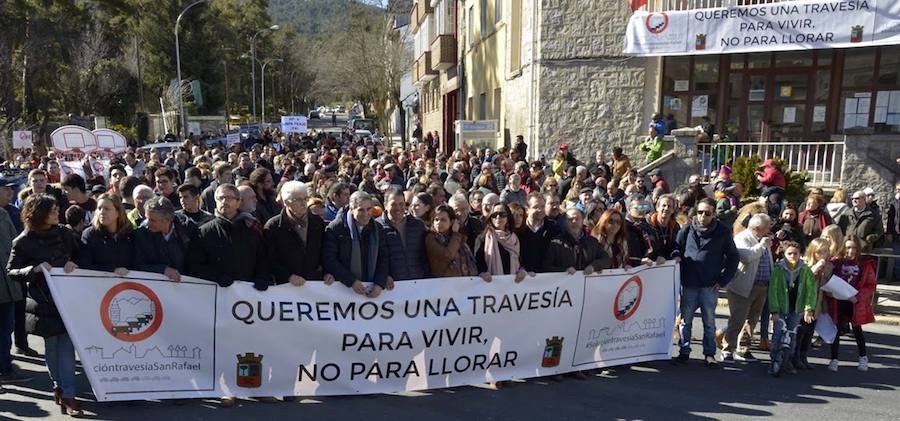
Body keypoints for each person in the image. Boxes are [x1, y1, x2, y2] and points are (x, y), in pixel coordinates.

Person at [7, 194, 81, 415]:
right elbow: (11, 271)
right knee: (52, 349)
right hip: (43, 303)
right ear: (39, 213)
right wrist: (34, 270)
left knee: (67, 348)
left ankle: (69, 395)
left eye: (57, 209)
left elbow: (82, 255)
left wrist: (73, 263)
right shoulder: (23, 241)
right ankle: (58, 385)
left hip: (68, 300)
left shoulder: (66, 234)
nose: (57, 213)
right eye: (52, 210)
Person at [673, 198, 739, 367]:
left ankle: (709, 354)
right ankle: (684, 351)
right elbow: (676, 248)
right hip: (689, 284)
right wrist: (676, 259)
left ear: (713, 214)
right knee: (685, 321)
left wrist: (723, 280)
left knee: (709, 322)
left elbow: (733, 257)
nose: (703, 216)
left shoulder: (723, 231)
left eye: (707, 213)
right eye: (700, 212)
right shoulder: (687, 229)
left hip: (710, 285)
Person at [721, 214, 773, 363]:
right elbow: (746, 257)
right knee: (737, 319)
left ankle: (742, 349)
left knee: (752, 320)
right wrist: (762, 245)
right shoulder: (741, 238)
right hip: (743, 286)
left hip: (762, 286)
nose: (769, 230)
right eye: (767, 227)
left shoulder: (763, 239)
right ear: (757, 228)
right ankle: (727, 350)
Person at [322, 191, 390, 298]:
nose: (366, 214)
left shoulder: (378, 229)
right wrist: (351, 281)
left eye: (369, 209)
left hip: (371, 288)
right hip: (344, 290)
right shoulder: (336, 229)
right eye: (361, 210)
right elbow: (329, 259)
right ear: (352, 210)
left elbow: (384, 258)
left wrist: (379, 283)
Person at [263, 181, 328, 286]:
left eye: (305, 199)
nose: (303, 203)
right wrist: (288, 276)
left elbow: (325, 252)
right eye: (298, 200)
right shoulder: (273, 227)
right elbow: (269, 259)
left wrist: (327, 272)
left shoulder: (317, 222)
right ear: (286, 202)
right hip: (288, 288)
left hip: (315, 284)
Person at [768, 240, 817, 376]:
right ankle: (773, 360)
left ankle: (787, 360)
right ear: (784, 254)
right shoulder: (778, 269)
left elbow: (811, 291)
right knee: (778, 333)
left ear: (800, 254)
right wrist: (774, 310)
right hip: (781, 308)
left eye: (795, 254)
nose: (792, 256)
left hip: (796, 308)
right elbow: (773, 290)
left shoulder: (805, 270)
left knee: (792, 334)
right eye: (789, 254)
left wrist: (808, 309)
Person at [826, 238, 876, 372]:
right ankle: (834, 359)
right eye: (848, 247)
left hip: (854, 302)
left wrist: (858, 297)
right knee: (835, 330)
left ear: (858, 249)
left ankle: (863, 357)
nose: (850, 251)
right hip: (838, 300)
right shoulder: (836, 262)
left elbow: (871, 285)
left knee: (857, 330)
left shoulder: (865, 264)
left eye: (853, 248)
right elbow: (827, 279)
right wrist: (829, 292)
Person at [134, 196, 199, 282]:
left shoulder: (189, 230)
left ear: (167, 220)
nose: (148, 224)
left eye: (152, 220)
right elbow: (137, 265)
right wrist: (162, 269)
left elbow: (198, 263)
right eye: (146, 218)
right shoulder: (141, 234)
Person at [0, 206, 28, 389]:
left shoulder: (3, 214)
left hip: (7, 284)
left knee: (6, 329)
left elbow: (13, 245)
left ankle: (5, 369)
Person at [378, 189, 429, 282]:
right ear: (385, 205)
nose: (398, 208)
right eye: (393, 204)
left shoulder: (417, 226)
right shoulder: (377, 227)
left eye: (401, 204)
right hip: (391, 287)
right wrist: (383, 276)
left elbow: (425, 255)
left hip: (418, 284)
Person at [543, 208, 611, 275]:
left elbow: (606, 260)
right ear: (565, 222)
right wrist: (564, 270)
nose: (574, 221)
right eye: (570, 219)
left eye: (577, 218)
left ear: (582, 221)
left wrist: (593, 266)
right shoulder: (556, 243)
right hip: (566, 284)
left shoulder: (592, 242)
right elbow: (546, 266)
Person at [78, 193, 134, 275]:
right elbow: (85, 265)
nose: (102, 212)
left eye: (107, 209)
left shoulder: (130, 235)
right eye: (99, 208)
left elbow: (137, 263)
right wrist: (112, 270)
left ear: (118, 212)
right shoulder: (89, 235)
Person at [474, 204, 529, 283]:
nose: (498, 217)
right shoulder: (482, 238)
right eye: (494, 215)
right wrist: (482, 274)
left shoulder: (515, 239)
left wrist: (522, 271)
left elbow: (521, 261)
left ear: (508, 217)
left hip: (513, 285)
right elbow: (477, 263)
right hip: (490, 286)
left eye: (502, 215)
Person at [802, 238, 834, 367]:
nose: (822, 255)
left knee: (810, 331)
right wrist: (814, 270)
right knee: (800, 331)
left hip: (818, 303)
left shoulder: (829, 266)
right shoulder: (804, 264)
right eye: (818, 252)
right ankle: (795, 356)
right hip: (804, 303)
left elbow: (827, 285)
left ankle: (803, 356)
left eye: (825, 252)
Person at [425, 205, 479, 278]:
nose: (438, 223)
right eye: (436, 219)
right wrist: (455, 234)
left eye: (443, 220)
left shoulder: (460, 238)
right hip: (443, 283)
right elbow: (448, 255)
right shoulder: (431, 238)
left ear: (451, 222)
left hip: (463, 282)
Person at [623, 195, 662, 266]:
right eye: (638, 207)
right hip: (631, 270)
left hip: (648, 268)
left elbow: (655, 246)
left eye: (644, 207)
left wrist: (658, 256)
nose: (642, 210)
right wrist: (639, 261)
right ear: (629, 209)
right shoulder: (623, 227)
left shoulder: (648, 226)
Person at [886, 182, 900, 281]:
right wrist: (889, 232)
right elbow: (890, 218)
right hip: (896, 234)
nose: (899, 191)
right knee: (897, 257)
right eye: (898, 189)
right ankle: (897, 276)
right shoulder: (894, 202)